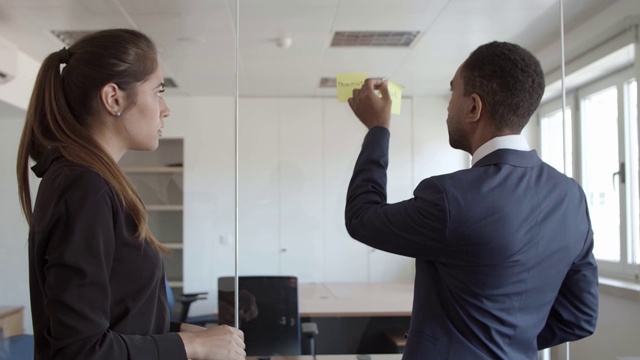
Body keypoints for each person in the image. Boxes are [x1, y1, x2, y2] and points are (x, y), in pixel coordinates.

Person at [345, 41, 598, 359]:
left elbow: (362, 218)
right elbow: (580, 319)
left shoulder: (450, 197)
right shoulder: (571, 196)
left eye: (453, 93)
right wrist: (505, 346)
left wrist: (378, 129)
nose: (449, 106)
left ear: (473, 107)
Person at [16, 28, 245, 360]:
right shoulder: (83, 187)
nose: (165, 109)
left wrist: (179, 331)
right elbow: (80, 351)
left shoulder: (88, 180)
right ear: (114, 98)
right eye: (158, 91)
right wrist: (191, 347)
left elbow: (119, 317)